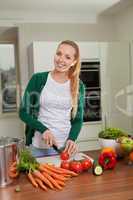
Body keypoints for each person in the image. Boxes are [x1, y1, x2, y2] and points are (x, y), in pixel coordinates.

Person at [19, 40, 85, 157]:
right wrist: (43, 129)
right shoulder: (38, 79)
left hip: (64, 149)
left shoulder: (78, 86)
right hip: (38, 148)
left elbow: (77, 120)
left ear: (74, 62)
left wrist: (72, 139)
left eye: (67, 57)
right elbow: (23, 112)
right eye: (59, 54)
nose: (61, 59)